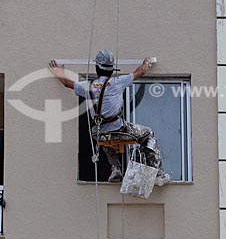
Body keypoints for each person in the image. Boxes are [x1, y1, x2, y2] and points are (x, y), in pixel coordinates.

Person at [49, 50, 170, 185]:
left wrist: (58, 71)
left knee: (107, 137)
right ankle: (159, 174)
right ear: (112, 70)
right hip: (119, 128)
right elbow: (140, 72)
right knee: (148, 134)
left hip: (99, 132)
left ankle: (115, 169)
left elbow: (66, 83)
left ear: (97, 68)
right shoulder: (118, 82)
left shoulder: (88, 86)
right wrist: (146, 62)